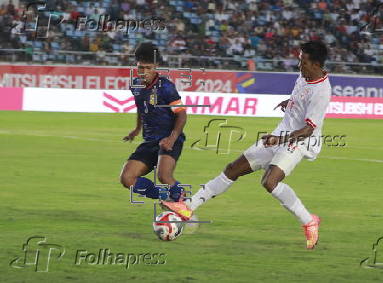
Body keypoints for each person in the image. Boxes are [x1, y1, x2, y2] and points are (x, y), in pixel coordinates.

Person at [161, 41, 331, 249]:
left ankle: (309, 221)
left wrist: (279, 140)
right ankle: (188, 207)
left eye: (302, 61)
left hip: (300, 141)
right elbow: (301, 98)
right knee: (233, 169)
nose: (299, 65)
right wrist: (290, 103)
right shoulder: (304, 76)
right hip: (282, 133)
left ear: (315, 64)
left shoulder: (322, 91)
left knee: (269, 182)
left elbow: (308, 129)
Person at [120, 42, 187, 202]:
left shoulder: (166, 87)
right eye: (140, 67)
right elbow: (141, 107)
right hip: (150, 141)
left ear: (156, 67)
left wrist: (172, 138)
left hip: (168, 139)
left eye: (148, 67)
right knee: (127, 178)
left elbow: (182, 114)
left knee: (164, 176)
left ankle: (182, 202)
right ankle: (167, 197)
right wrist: (136, 129)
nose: (144, 72)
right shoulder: (135, 85)